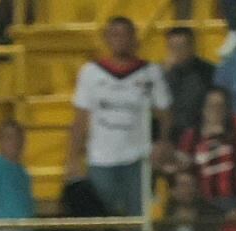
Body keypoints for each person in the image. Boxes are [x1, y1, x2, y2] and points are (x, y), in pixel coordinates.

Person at [67, 17, 172, 217]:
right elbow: (80, 118)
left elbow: (165, 113)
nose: (120, 40)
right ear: (106, 38)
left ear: (134, 38)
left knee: (139, 219)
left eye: (125, 34)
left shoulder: (150, 72)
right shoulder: (90, 73)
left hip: (138, 159)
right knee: (104, 221)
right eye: (115, 35)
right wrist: (73, 158)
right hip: (100, 159)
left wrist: (163, 142)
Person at [162, 25, 215, 136]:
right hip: (169, 134)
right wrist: (165, 75)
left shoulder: (208, 72)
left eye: (181, 47)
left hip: (198, 134)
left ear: (192, 46)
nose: (177, 52)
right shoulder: (160, 74)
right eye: (172, 47)